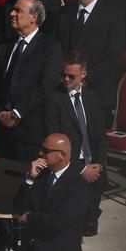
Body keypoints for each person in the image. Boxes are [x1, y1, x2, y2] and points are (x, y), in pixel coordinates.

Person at [0, 0, 63, 161]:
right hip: (1, 127)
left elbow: (45, 86)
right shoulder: (4, 44)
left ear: (33, 17)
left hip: (29, 129)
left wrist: (16, 113)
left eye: (18, 11)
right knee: (1, 179)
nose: (12, 14)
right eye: (12, 10)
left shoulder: (50, 47)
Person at [13, 133, 89, 251]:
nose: (40, 153)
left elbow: (58, 221)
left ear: (62, 155)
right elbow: (18, 208)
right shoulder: (41, 176)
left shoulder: (77, 185)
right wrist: (29, 179)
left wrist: (30, 217)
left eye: (46, 150)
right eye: (41, 149)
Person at [44, 53, 107, 237]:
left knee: (94, 190)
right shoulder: (54, 100)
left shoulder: (92, 98)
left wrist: (99, 164)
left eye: (71, 76)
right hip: (69, 161)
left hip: (92, 160)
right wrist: (80, 169)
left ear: (84, 74)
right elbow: (55, 140)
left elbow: (100, 137)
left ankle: (91, 217)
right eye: (63, 74)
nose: (65, 79)